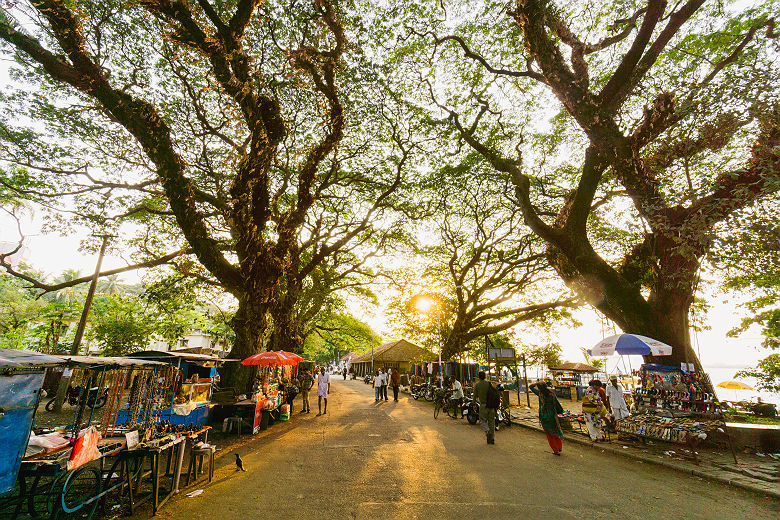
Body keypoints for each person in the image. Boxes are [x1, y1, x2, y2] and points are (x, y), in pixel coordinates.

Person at [530, 381, 564, 455]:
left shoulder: (539, 393)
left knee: (549, 434)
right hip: (552, 415)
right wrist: (560, 411)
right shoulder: (551, 393)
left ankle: (555, 450)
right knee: (555, 431)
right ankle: (559, 447)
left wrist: (536, 383)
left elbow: (530, 387)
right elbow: (557, 404)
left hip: (544, 415)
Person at [473, 371, 495, 444]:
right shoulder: (489, 383)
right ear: (485, 376)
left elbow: (475, 396)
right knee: (491, 422)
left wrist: (474, 404)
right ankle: (491, 439)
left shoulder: (477, 385)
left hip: (483, 405)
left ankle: (487, 430)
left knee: (482, 420)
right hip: (491, 405)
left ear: (479, 377)